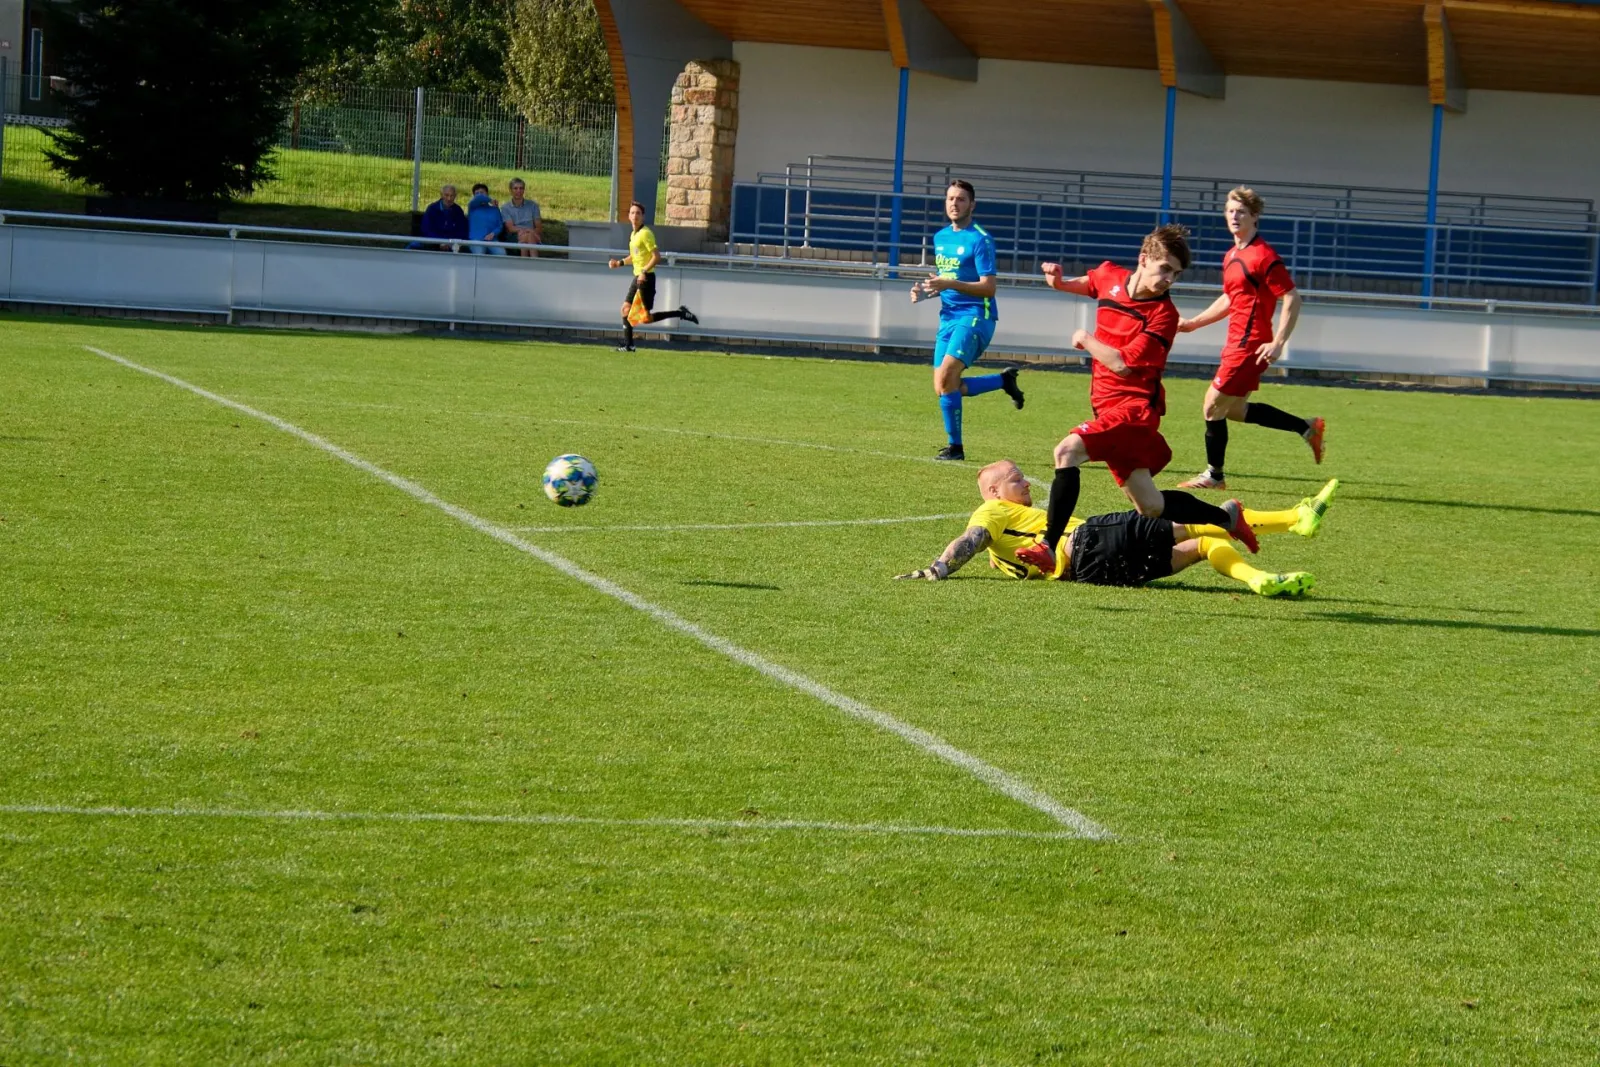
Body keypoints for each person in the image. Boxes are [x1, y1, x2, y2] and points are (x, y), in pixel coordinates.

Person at [1014, 223, 1259, 579]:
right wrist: (1059, 282)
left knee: (1067, 452)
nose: (1169, 280)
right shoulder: (1110, 276)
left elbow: (1122, 364)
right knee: (1151, 506)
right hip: (1107, 408)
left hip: (1134, 410)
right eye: (1165, 269)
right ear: (1144, 259)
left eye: (1176, 274)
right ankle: (1226, 517)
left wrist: (1084, 338)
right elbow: (1089, 284)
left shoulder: (1164, 315)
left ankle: (1048, 546)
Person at [894, 459, 1338, 597]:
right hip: (1089, 541)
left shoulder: (1004, 547)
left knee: (1201, 545)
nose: (1026, 482)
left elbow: (993, 551)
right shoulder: (991, 511)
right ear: (993, 491)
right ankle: (1294, 520)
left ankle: (1259, 580)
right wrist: (940, 567)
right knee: (1180, 515)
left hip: (1093, 574)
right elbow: (972, 538)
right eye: (1015, 479)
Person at [1174, 186, 1325, 489]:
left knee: (1211, 406)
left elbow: (1292, 298)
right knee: (1234, 410)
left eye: (1241, 211)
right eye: (1230, 211)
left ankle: (1214, 476)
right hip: (1235, 342)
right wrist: (1194, 323)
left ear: (1255, 216)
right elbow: (1231, 298)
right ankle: (1307, 427)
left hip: (1251, 344)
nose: (1234, 216)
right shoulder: (1232, 255)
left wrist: (1278, 342)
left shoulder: (1263, 256)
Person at [911, 180, 1025, 462]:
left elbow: (988, 288)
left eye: (961, 199)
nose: (954, 204)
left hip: (976, 316)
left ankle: (956, 448)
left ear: (972, 205)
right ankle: (1002, 381)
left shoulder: (980, 239)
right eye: (950, 198)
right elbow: (947, 282)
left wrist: (950, 283)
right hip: (948, 318)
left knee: (947, 378)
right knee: (944, 387)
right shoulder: (940, 237)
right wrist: (925, 292)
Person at [607, 201, 699, 352]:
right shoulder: (634, 234)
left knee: (646, 318)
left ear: (643, 217)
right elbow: (635, 256)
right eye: (632, 213)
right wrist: (619, 263)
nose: (635, 216)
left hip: (646, 279)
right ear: (628, 216)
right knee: (625, 309)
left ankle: (680, 313)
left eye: (638, 213)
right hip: (638, 277)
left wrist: (644, 271)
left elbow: (656, 257)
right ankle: (629, 345)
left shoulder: (646, 234)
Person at [500, 178, 542, 257]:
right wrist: (528, 230)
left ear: (524, 190)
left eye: (521, 188)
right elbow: (511, 228)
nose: (518, 191)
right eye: (515, 188)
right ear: (510, 190)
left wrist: (530, 232)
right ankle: (535, 260)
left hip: (531, 233)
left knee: (528, 236)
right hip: (514, 235)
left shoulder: (533, 205)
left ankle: (524, 261)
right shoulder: (505, 208)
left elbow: (539, 227)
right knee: (528, 236)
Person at [418, 184, 467, 250]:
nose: (449, 199)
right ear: (441, 195)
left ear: (455, 196)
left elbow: (462, 230)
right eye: (446, 195)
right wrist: (439, 242)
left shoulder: (458, 211)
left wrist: (451, 243)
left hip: (452, 245)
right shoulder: (432, 209)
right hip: (433, 243)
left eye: (452, 196)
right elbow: (426, 229)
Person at [465, 183, 507, 255]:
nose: (479, 195)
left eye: (482, 192)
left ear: (487, 194)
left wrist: (493, 233)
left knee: (502, 254)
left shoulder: (494, 209)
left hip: (492, 240)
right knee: (480, 254)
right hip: (476, 239)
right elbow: (479, 198)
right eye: (477, 193)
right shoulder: (472, 207)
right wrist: (490, 200)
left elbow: (499, 226)